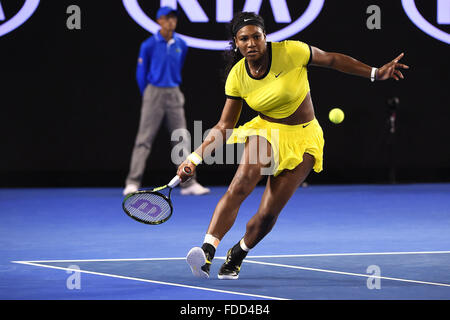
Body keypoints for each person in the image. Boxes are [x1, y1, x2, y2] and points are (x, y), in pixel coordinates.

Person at [179, 12, 409, 279]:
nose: (251, 43)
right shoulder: (237, 77)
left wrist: (374, 73)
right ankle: (207, 251)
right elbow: (224, 126)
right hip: (266, 130)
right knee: (242, 181)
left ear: (265, 38)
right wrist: (194, 159)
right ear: (236, 43)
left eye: (256, 36)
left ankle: (238, 253)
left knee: (267, 215)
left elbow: (332, 59)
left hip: (304, 137)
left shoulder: (292, 51)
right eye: (244, 38)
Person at [123, 6, 210, 196]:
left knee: (181, 137)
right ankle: (132, 182)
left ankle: (188, 184)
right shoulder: (148, 45)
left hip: (174, 92)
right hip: (153, 93)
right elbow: (141, 74)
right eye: (167, 18)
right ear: (159, 21)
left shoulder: (182, 44)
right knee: (144, 140)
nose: (171, 21)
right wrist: (148, 94)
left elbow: (178, 67)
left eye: (173, 18)